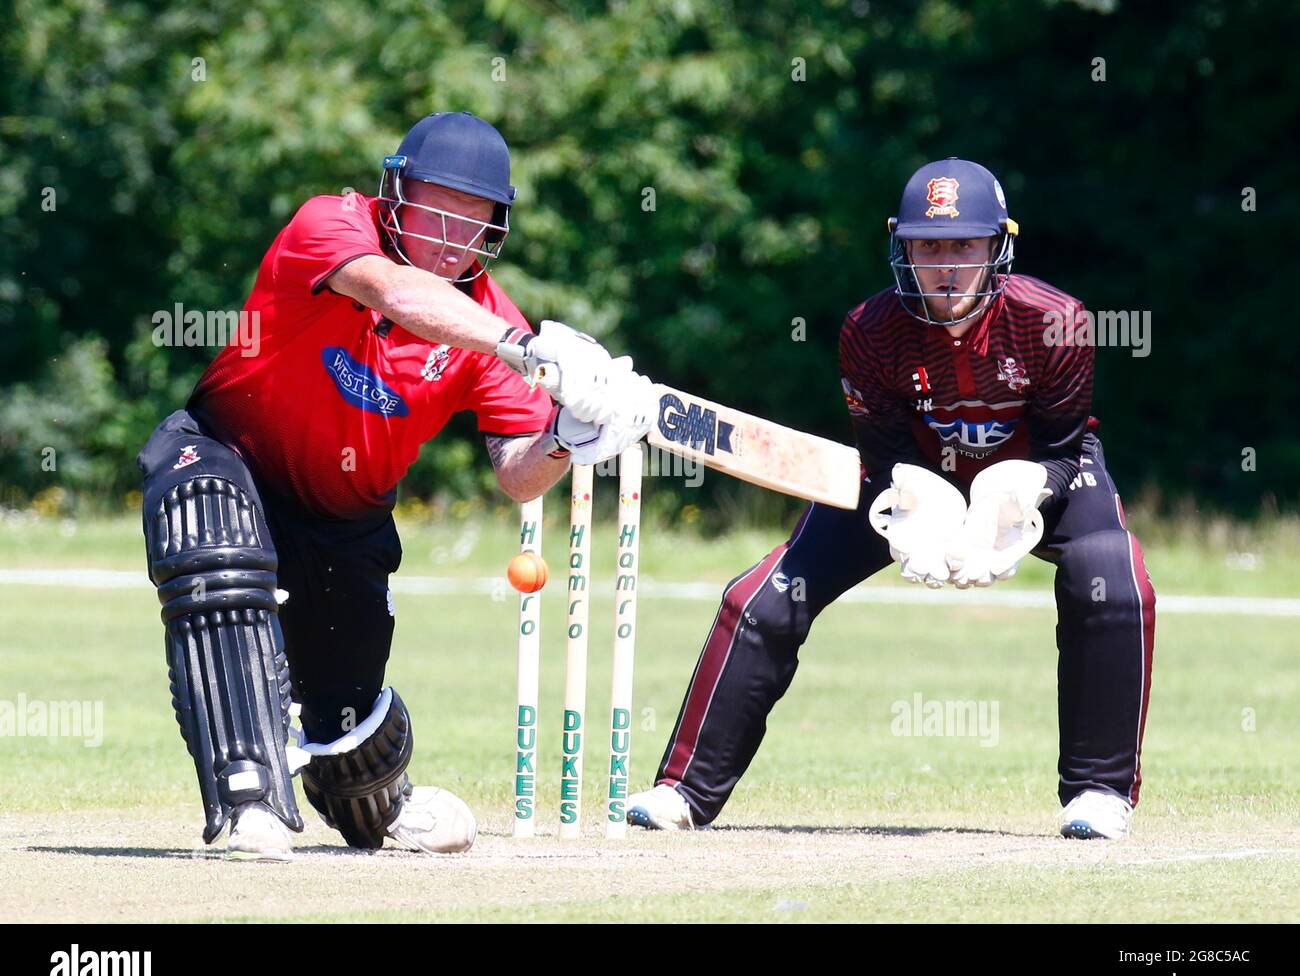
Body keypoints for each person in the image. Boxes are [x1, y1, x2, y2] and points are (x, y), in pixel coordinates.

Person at [136, 111, 653, 860]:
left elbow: (516, 477)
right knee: (210, 533)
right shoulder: (331, 225)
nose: (449, 238)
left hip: (346, 525)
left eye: (470, 223)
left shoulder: (491, 324)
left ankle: (382, 798)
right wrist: (529, 349)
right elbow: (393, 293)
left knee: (356, 777)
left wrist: (565, 439)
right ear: (394, 194)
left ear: (494, 231)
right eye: (435, 212)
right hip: (226, 454)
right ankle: (248, 797)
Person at [625, 157, 1156, 841]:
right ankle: (683, 792)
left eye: (965, 245)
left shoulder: (1060, 321)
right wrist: (915, 512)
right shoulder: (868, 330)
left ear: (999, 246)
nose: (946, 265)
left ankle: (1100, 794)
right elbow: (880, 452)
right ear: (900, 246)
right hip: (913, 475)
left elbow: (1061, 447)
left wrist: (1018, 494)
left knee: (1115, 581)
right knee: (762, 595)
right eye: (928, 244)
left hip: (1038, 471)